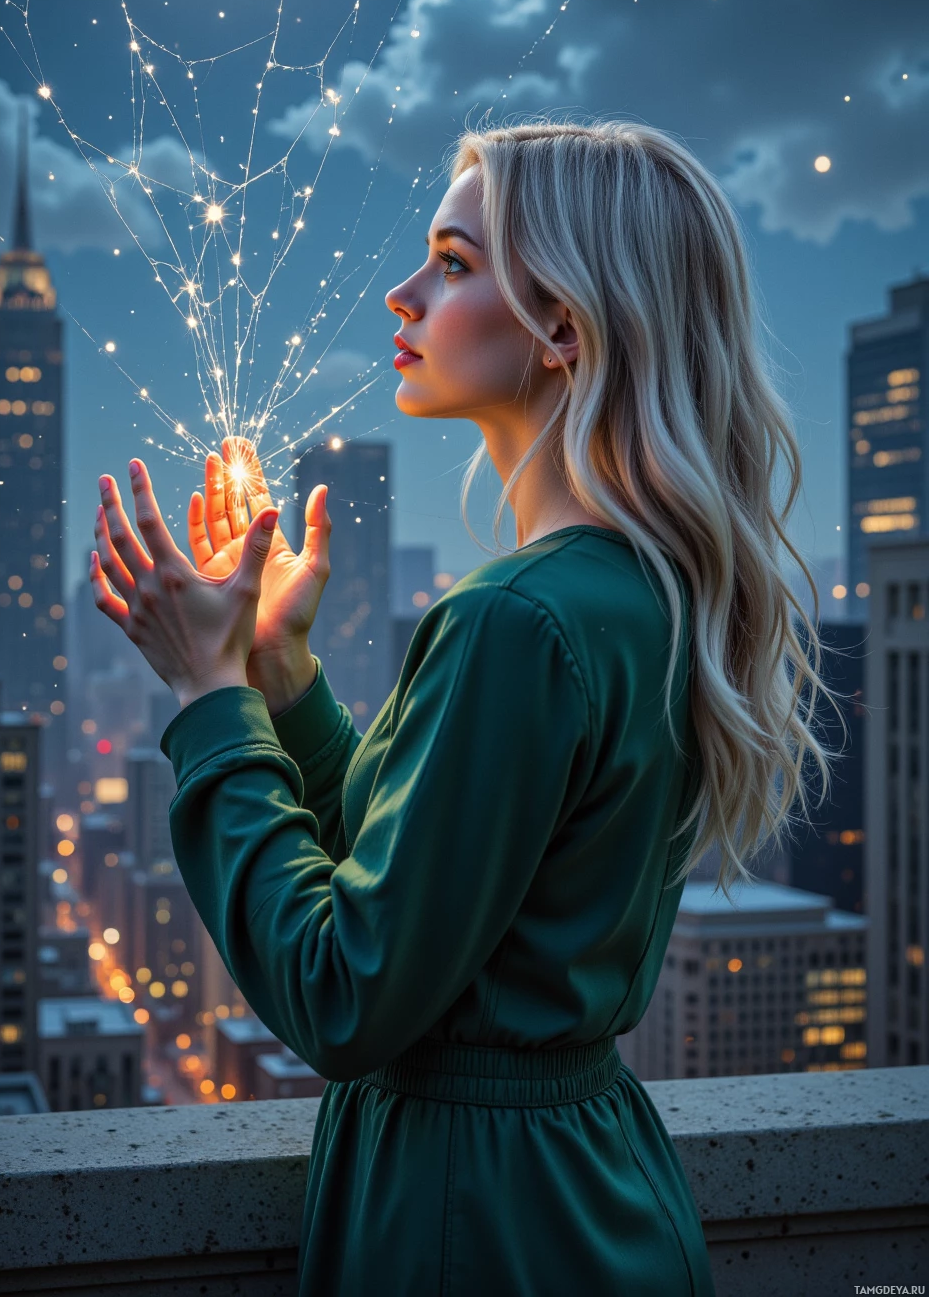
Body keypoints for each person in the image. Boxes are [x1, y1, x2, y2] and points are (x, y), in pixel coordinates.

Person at [90, 120, 831, 1296]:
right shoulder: (636, 596)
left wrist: (209, 696)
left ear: (563, 327)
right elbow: (433, 892)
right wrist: (281, 677)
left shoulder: (514, 619)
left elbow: (346, 991)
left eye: (450, 260)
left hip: (472, 1222)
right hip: (585, 1190)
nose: (400, 293)